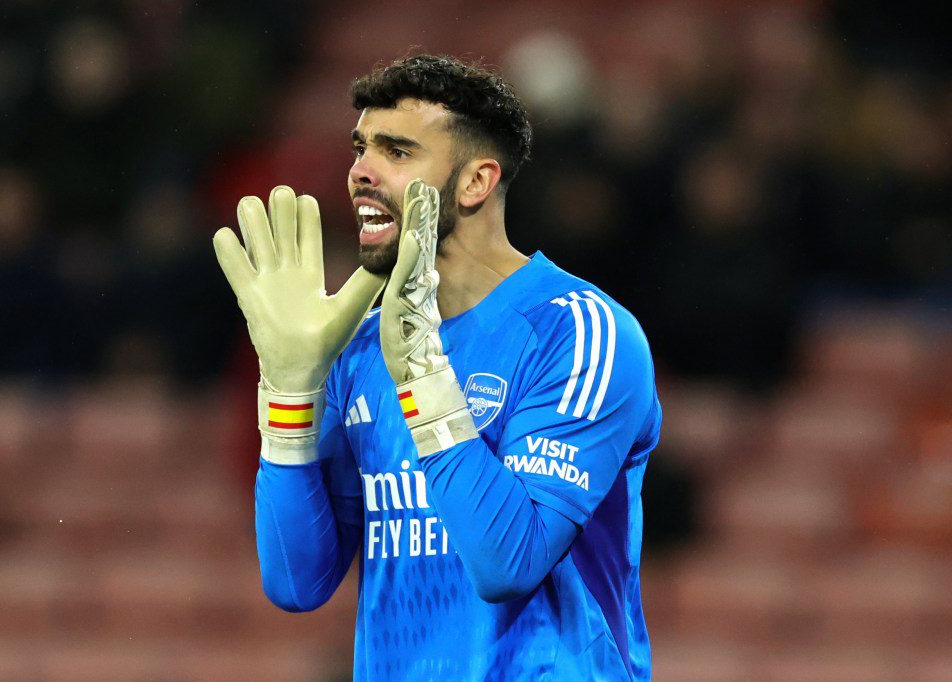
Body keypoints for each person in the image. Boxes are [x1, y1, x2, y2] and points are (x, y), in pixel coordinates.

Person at [214, 55, 661, 681]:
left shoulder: (580, 332)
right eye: (360, 148)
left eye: (397, 153)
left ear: (476, 182)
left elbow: (508, 563)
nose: (359, 172)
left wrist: (424, 376)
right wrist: (290, 391)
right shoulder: (362, 351)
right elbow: (297, 582)